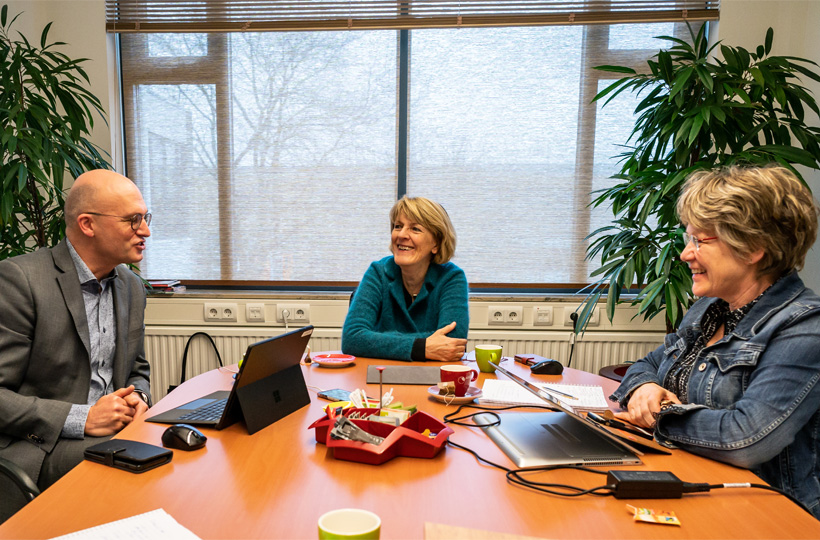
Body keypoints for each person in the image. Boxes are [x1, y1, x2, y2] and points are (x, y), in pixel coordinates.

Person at [611, 165, 820, 519]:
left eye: (700, 240)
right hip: (695, 490)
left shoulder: (805, 327)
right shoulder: (710, 309)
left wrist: (658, 416)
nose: (685, 254)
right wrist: (644, 387)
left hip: (772, 516)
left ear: (753, 247)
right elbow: (648, 365)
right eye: (688, 238)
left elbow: (746, 438)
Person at [0, 169, 152, 522]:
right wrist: (82, 418)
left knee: (178, 458)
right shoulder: (20, 280)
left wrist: (138, 399)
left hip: (113, 435)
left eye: (145, 218)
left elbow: (137, 370)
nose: (145, 230)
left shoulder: (130, 286)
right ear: (87, 224)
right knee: (145, 475)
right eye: (132, 220)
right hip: (38, 446)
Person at [342, 196, 468, 361]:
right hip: (379, 376)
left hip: (433, 379)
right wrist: (421, 347)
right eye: (398, 226)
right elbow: (352, 339)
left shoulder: (452, 278)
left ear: (436, 243)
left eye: (415, 229)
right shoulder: (378, 272)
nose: (401, 235)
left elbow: (452, 343)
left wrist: (379, 340)